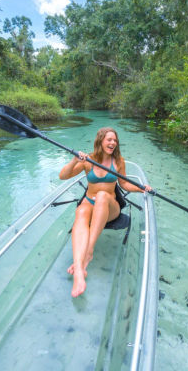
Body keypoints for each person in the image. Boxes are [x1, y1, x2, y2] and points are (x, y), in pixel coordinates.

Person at [59, 127, 151, 297]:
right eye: (109, 139)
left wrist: (141, 189)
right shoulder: (88, 160)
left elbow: (124, 184)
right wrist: (74, 160)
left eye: (115, 140)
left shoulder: (119, 161)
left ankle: (89, 251)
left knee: (102, 195)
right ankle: (79, 268)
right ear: (100, 140)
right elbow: (63, 176)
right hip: (89, 202)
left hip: (110, 206)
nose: (113, 143)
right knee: (80, 213)